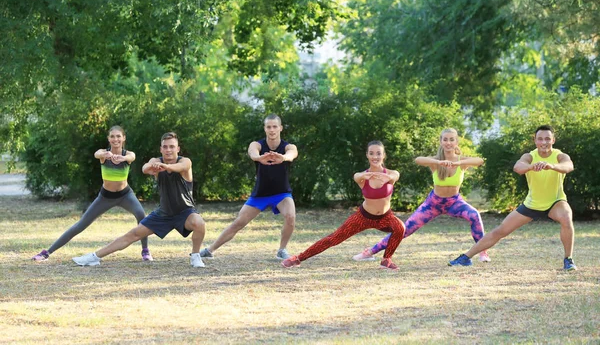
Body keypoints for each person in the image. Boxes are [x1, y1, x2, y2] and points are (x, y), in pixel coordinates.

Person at [449, 125, 577, 271]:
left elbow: (568, 166)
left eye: (547, 139)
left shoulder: (560, 155)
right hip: (532, 204)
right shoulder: (529, 156)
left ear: (553, 140)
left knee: (567, 217)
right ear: (535, 141)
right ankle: (465, 258)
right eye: (540, 139)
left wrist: (551, 166)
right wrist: (531, 166)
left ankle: (568, 260)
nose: (544, 142)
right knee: (500, 231)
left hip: (555, 202)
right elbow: (518, 167)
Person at [353, 128, 490, 263]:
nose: (448, 142)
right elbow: (418, 159)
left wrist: (459, 163)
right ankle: (370, 252)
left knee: (474, 215)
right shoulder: (435, 161)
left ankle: (483, 252)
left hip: (454, 203)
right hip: (434, 203)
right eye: (445, 139)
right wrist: (438, 162)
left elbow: (480, 161)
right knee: (405, 229)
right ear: (441, 142)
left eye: (451, 139)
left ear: (456, 142)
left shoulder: (462, 161)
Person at [72, 132, 207, 267]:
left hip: (185, 213)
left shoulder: (185, 161)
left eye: (172, 147)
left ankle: (195, 256)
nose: (168, 150)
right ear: (161, 149)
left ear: (178, 149)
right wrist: (151, 167)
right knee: (133, 234)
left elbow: (181, 167)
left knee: (199, 223)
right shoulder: (157, 161)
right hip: (163, 213)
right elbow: (145, 168)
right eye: (165, 147)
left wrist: (165, 167)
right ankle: (94, 257)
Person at [32, 126, 152, 262]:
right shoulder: (104, 153)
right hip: (105, 197)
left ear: (123, 138)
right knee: (81, 224)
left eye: (118, 136)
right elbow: (97, 153)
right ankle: (47, 252)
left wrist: (123, 159)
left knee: (141, 216)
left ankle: (145, 251)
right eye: (112, 136)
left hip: (125, 195)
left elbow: (132, 156)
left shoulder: (127, 155)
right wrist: (104, 155)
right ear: (108, 139)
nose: (115, 139)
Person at [282, 140, 405, 270]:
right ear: (367, 155)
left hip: (385, 218)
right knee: (333, 239)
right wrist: (364, 175)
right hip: (363, 217)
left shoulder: (391, 174)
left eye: (378, 153)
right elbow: (356, 176)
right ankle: (298, 258)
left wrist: (388, 178)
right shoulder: (362, 176)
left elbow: (396, 175)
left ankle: (386, 260)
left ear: (383, 155)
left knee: (400, 228)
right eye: (371, 153)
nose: (375, 157)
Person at [199, 114, 298, 260]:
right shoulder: (257, 144)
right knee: (238, 223)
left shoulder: (288, 146)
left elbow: (292, 154)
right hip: (260, 195)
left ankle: (282, 250)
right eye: (269, 127)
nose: (272, 130)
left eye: (275, 126)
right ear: (265, 129)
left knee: (291, 216)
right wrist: (260, 158)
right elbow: (253, 153)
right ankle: (209, 250)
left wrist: (282, 157)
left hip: (281, 194)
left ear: (280, 128)